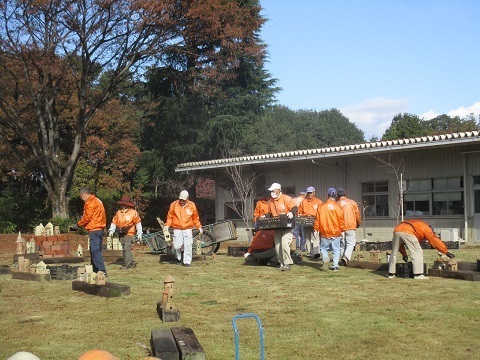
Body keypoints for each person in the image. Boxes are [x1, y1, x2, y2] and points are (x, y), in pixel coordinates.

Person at [388, 219, 456, 279]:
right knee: (417, 252)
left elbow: (400, 243)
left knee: (393, 252)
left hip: (397, 230)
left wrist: (404, 254)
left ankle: (391, 274)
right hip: (408, 231)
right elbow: (434, 240)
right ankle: (418, 274)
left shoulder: (418, 225)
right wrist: (445, 251)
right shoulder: (426, 228)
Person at [164, 190, 203, 267]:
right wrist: (167, 225)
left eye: (183, 200)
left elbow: (195, 218)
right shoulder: (174, 205)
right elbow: (170, 217)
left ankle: (187, 262)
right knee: (176, 246)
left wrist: (199, 227)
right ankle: (178, 258)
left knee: (188, 245)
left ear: (187, 198)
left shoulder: (192, 205)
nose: (181, 201)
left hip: (188, 229)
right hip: (177, 228)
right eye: (180, 199)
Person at [265, 182, 297, 271]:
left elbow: (294, 208)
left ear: (278, 190)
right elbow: (270, 213)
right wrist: (265, 216)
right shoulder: (271, 201)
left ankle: (287, 263)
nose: (271, 192)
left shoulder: (286, 198)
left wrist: (291, 212)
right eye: (271, 191)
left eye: (273, 190)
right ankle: (281, 264)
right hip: (277, 226)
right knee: (278, 246)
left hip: (287, 226)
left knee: (284, 244)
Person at [78, 187, 107, 275]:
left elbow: (87, 217)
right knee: (95, 249)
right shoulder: (98, 200)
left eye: (81, 197)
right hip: (100, 227)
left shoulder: (90, 202)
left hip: (94, 228)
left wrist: (79, 224)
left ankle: (102, 271)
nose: (82, 199)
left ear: (84, 194)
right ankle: (94, 269)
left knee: (95, 250)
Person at [108, 195, 143, 270]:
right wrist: (111, 230)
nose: (122, 205)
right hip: (121, 233)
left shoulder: (133, 212)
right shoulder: (118, 213)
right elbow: (114, 222)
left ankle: (127, 264)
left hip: (129, 233)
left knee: (127, 248)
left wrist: (140, 233)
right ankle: (132, 262)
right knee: (125, 248)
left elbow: (138, 223)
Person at [314, 188, 345, 271]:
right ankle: (335, 266)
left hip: (324, 231)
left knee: (323, 248)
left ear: (327, 195)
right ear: (335, 196)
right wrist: (342, 231)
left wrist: (316, 230)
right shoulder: (339, 207)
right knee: (336, 249)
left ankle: (325, 259)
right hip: (336, 232)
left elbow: (317, 220)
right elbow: (342, 220)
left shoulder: (321, 206)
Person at [336, 187, 361, 265]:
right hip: (350, 226)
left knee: (342, 244)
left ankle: (342, 260)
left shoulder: (336, 204)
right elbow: (358, 215)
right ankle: (346, 257)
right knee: (351, 243)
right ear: (345, 193)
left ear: (337, 195)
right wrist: (358, 223)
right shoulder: (352, 202)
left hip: (340, 227)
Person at [298, 186, 322, 257]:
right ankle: (309, 252)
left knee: (316, 237)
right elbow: (299, 212)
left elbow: (321, 212)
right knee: (307, 238)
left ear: (314, 192)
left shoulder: (318, 202)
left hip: (316, 222)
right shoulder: (303, 202)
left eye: (311, 192)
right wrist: (302, 217)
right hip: (306, 222)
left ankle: (316, 252)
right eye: (308, 193)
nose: (309, 194)